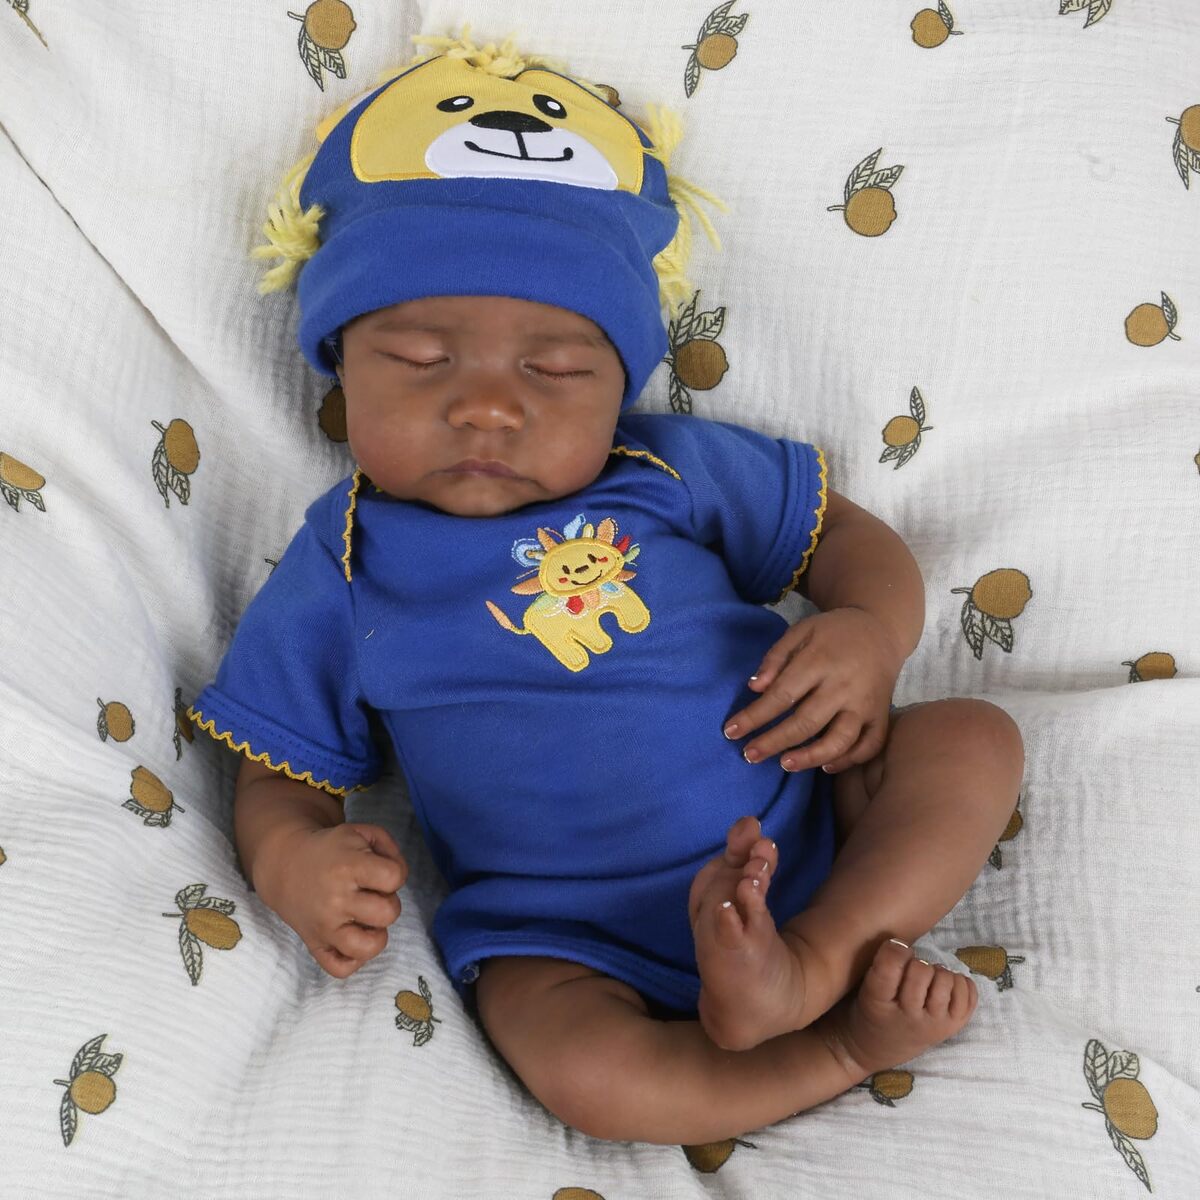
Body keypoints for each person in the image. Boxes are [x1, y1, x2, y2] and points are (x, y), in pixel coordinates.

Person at [190, 35, 1024, 1145]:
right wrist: (292, 857)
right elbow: (275, 768)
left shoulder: (663, 471)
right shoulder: (343, 564)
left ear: (622, 380)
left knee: (970, 741)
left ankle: (812, 965)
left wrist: (870, 630)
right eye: (423, 359)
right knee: (586, 1074)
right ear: (341, 368)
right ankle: (836, 1048)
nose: (488, 406)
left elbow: (839, 534)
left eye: (554, 369)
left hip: (807, 824)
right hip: (563, 934)